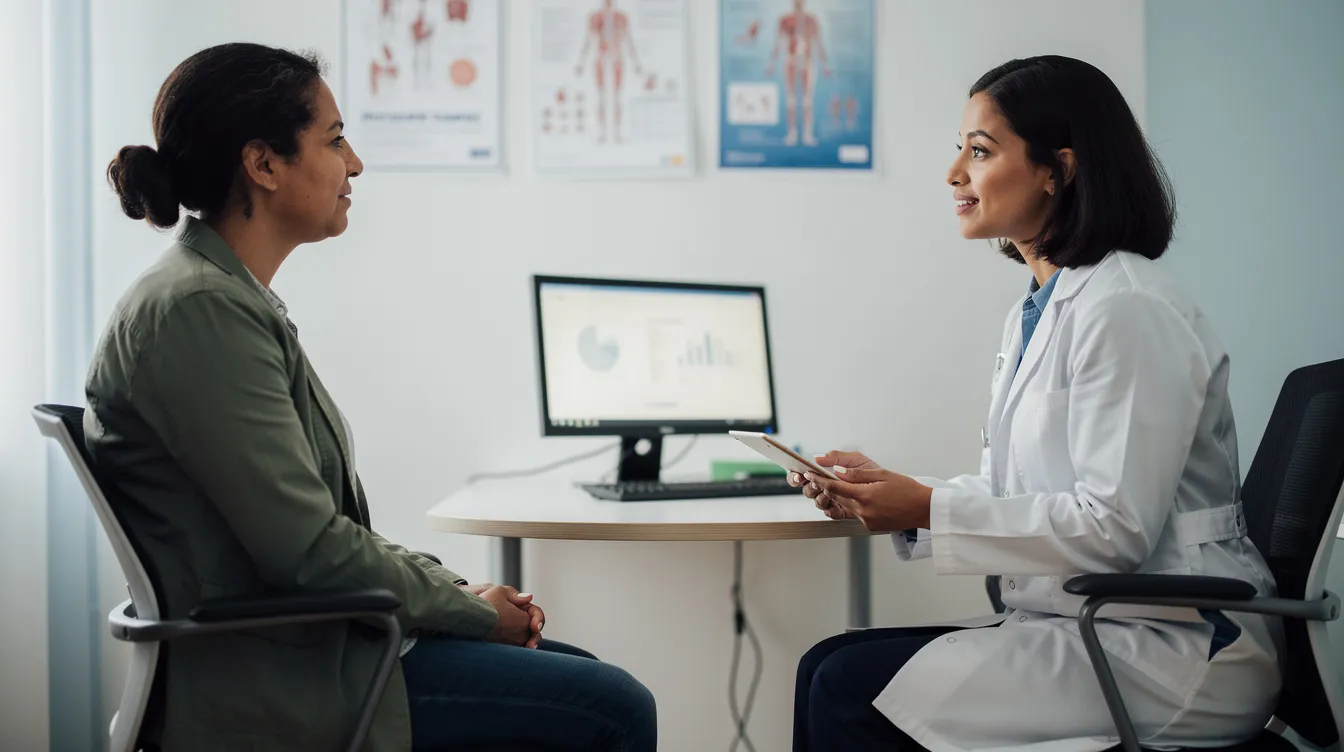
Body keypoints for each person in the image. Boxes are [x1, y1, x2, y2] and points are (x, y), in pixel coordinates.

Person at [91, 43, 656, 752]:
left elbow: (319, 528)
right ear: (263, 164)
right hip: (283, 682)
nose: (354, 164)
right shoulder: (199, 313)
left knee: (585, 680)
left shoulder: (223, 300)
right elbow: (310, 551)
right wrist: (470, 614)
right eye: (334, 140)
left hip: (315, 650)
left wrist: (456, 594)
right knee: (611, 708)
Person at [788, 56, 1283, 751]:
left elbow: (1116, 528)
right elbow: (1016, 493)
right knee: (824, 667)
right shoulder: (1042, 310)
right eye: (958, 149)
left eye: (980, 150)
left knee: (845, 685)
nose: (954, 172)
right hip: (1094, 627)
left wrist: (925, 507)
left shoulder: (1128, 308)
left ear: (1059, 169)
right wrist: (889, 496)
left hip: (1176, 646)